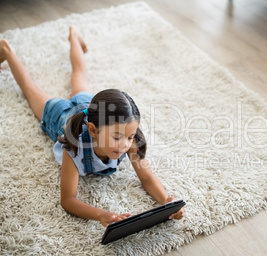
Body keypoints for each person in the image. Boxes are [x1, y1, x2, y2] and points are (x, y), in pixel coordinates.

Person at [0, 26, 184, 227]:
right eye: (117, 137)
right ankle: (6, 50)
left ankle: (74, 36)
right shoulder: (74, 145)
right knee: (31, 90)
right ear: (93, 130)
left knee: (79, 74)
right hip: (62, 117)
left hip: (90, 107)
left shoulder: (129, 139)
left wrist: (166, 200)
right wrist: (101, 215)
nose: (124, 145)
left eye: (129, 137)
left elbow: (147, 177)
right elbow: (68, 200)